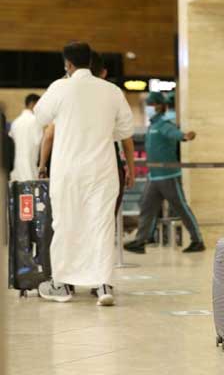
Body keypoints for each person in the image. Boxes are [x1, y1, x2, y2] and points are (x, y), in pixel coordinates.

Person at [33, 41, 135, 306]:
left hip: (68, 170)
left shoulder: (60, 87)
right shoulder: (111, 91)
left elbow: (40, 116)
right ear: (90, 62)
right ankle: (103, 285)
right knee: (101, 224)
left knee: (66, 223)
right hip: (102, 170)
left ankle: (61, 284)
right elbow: (125, 131)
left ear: (68, 64)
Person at [123, 92, 204, 254]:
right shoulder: (152, 126)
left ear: (160, 106)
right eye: (148, 105)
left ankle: (197, 240)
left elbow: (175, 134)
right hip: (154, 177)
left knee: (181, 208)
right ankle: (141, 241)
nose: (149, 108)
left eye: (151, 105)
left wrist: (186, 136)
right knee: (146, 206)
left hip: (168, 177)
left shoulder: (164, 124)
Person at [9, 94, 43, 182]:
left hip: (16, 171)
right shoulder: (36, 120)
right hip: (31, 169)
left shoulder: (15, 122)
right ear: (33, 104)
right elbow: (40, 142)